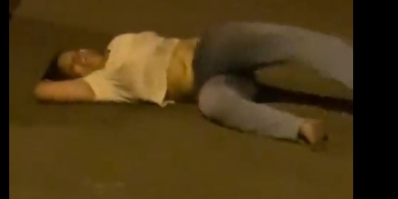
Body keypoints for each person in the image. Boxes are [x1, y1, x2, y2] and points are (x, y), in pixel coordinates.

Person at [34, 22, 353, 146]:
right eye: (73, 65)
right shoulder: (102, 85)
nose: (81, 58)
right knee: (214, 104)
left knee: (288, 41)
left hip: (211, 49)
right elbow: (42, 91)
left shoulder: (117, 42)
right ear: (78, 78)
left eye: (77, 52)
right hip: (209, 83)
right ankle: (300, 128)